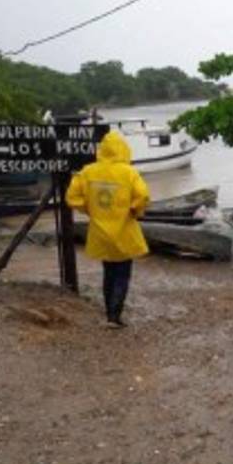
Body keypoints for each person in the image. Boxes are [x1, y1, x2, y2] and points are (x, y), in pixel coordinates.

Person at [65, 131, 150, 328]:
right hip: (124, 232)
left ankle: (109, 314)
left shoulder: (87, 172)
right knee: (122, 274)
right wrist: (134, 211)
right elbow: (143, 196)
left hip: (100, 232)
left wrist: (89, 209)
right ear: (123, 149)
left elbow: (71, 197)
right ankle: (114, 316)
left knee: (108, 272)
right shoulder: (129, 172)